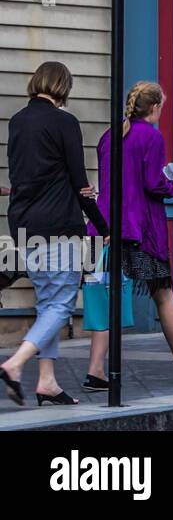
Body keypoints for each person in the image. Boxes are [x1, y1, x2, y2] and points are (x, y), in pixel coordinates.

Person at [84, 82, 173, 390]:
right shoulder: (151, 136)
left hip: (105, 227)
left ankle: (95, 370)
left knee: (105, 295)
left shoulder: (110, 134)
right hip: (139, 230)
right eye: (161, 107)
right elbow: (154, 184)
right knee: (163, 293)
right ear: (154, 108)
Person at [0, 62, 107, 406]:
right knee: (61, 305)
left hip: (23, 225)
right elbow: (81, 185)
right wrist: (102, 228)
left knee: (47, 302)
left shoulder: (17, 121)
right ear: (63, 87)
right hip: (59, 226)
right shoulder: (65, 122)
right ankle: (15, 365)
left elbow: (20, 176)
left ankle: (47, 381)